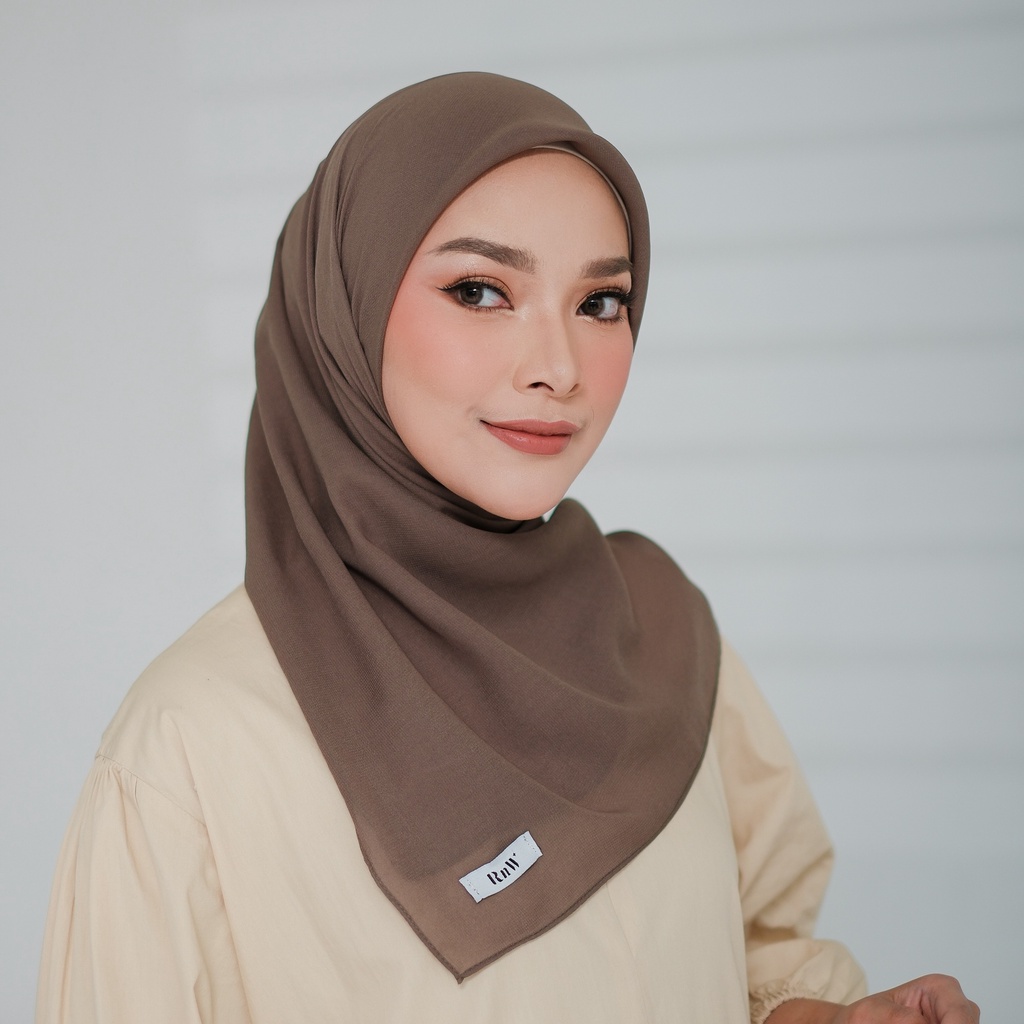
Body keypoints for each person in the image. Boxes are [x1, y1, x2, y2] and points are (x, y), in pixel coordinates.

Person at [36, 72, 979, 1024]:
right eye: (481, 291)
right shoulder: (193, 747)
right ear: (345, 307)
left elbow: (753, 952)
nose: (559, 369)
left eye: (600, 302)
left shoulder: (660, 632)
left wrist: (817, 1016)